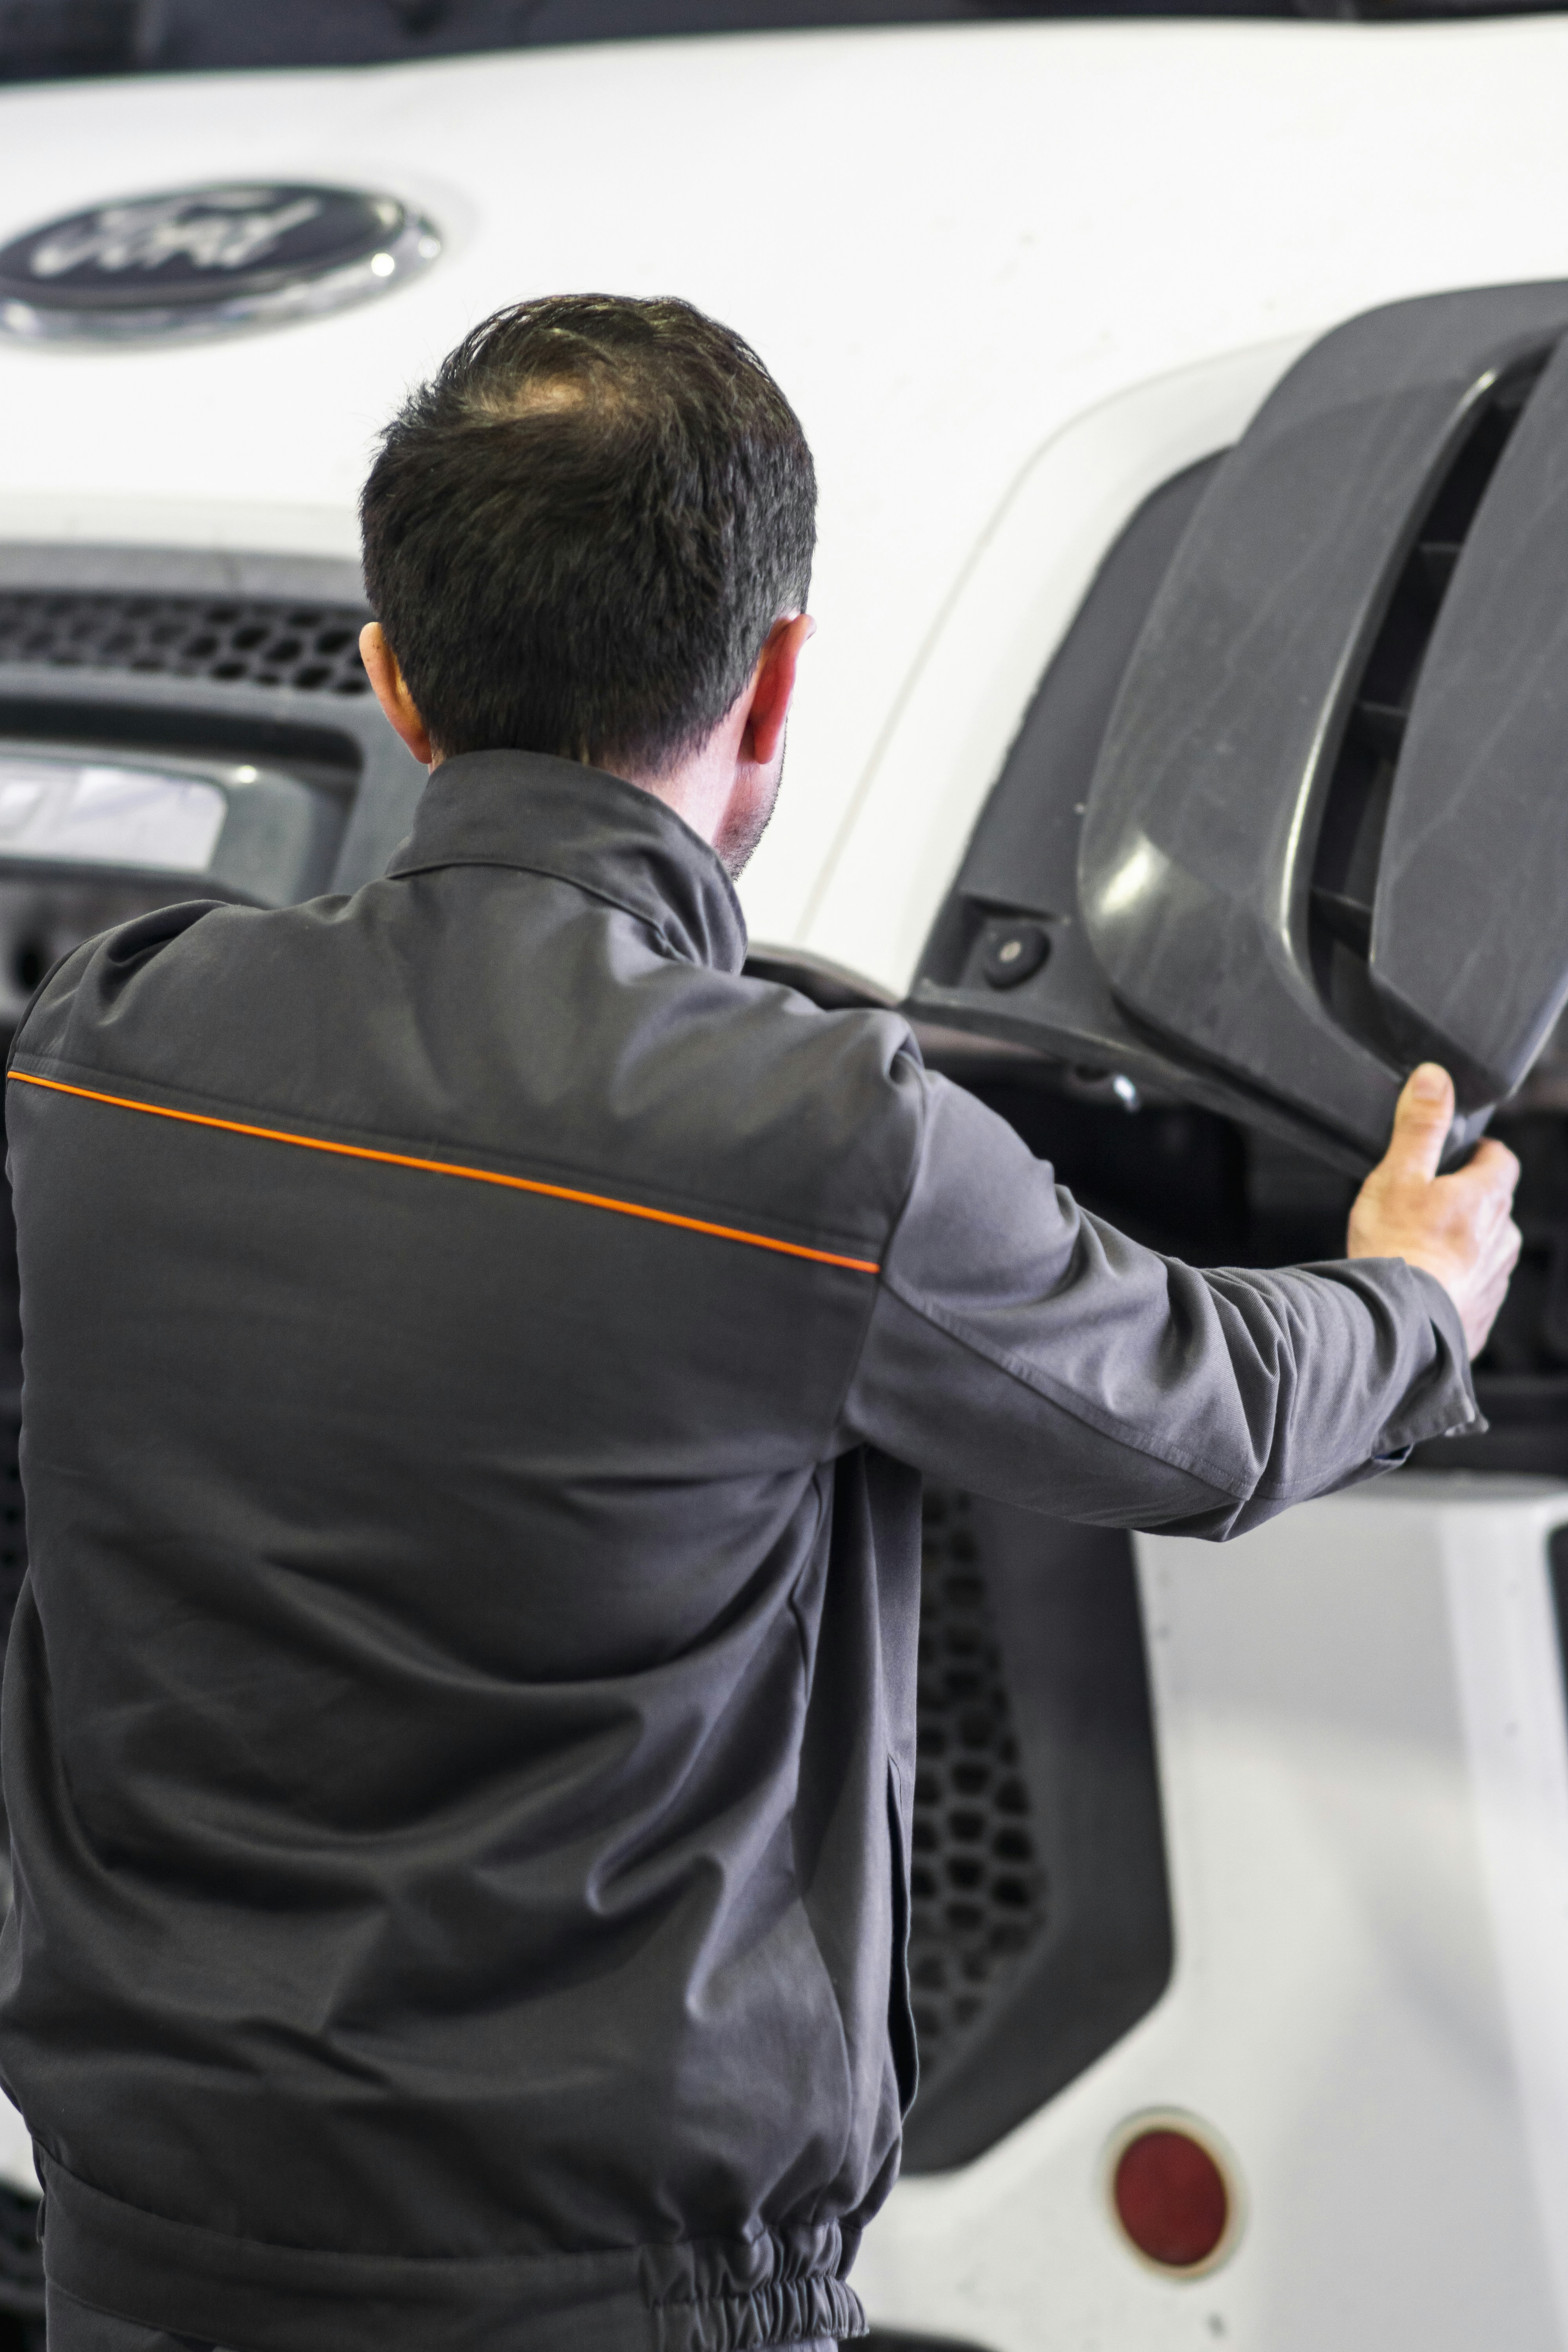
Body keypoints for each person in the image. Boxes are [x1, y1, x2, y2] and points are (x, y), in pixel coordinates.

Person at [0, 295, 1518, 2352]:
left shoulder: (104, 1049)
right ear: (779, 670)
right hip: (598, 2292)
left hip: (139, 2249)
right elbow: (1210, 1417)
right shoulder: (815, 1140)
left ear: (392, 684)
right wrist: (1417, 1286)